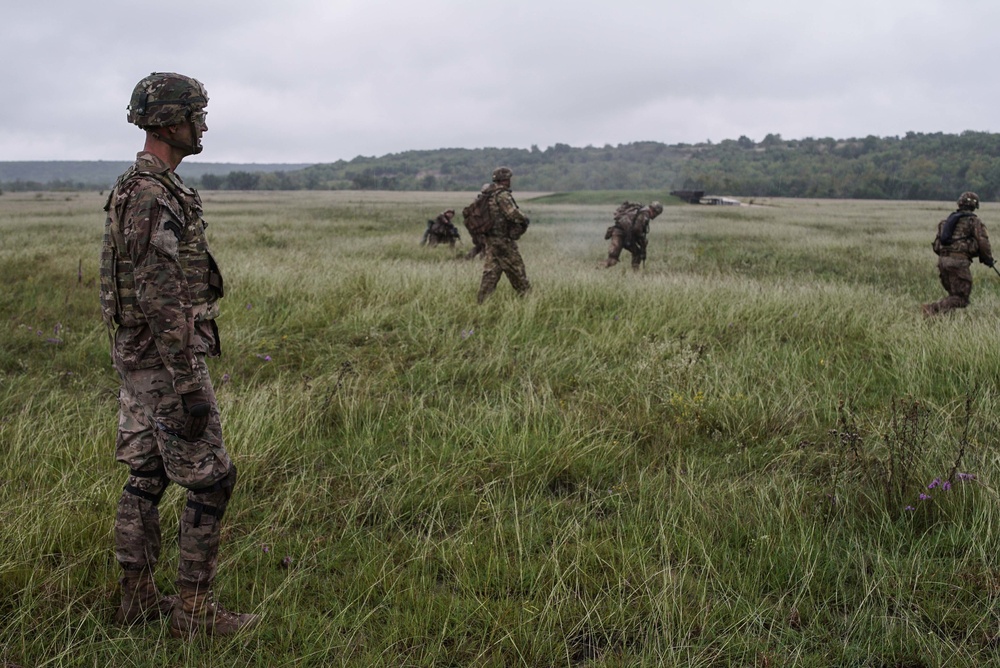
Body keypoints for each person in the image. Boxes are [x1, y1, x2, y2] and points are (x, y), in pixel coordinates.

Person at [99, 72, 258, 638]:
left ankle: (138, 600)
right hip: (165, 364)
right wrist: (189, 383)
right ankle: (194, 613)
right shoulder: (150, 194)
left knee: (145, 475)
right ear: (170, 121)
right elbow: (161, 297)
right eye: (197, 114)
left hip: (141, 360)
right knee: (212, 478)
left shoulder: (141, 189)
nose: (204, 125)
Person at [922, 191, 995, 316]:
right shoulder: (974, 222)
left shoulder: (945, 222)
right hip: (958, 262)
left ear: (960, 204)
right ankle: (932, 309)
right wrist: (988, 259)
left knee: (953, 295)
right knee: (961, 298)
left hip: (942, 261)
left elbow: (937, 245)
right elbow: (983, 242)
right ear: (974, 206)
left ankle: (943, 321)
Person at [476, 166, 531, 303]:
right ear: (506, 179)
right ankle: (528, 300)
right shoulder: (502, 195)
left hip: (491, 240)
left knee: (491, 273)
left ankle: (482, 302)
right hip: (503, 240)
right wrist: (525, 218)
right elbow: (512, 213)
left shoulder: (487, 194)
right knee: (517, 270)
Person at [601, 201, 663, 269]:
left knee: (636, 254)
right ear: (654, 211)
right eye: (656, 214)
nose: (655, 216)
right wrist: (642, 240)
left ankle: (635, 273)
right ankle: (598, 268)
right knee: (613, 260)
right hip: (620, 234)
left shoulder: (641, 211)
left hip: (622, 234)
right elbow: (637, 229)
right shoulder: (644, 214)